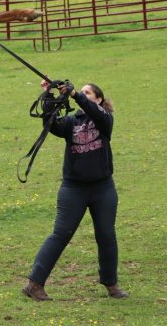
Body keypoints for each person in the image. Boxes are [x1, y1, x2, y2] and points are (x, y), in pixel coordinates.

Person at [22, 80, 128, 301]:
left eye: (88, 93)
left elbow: (94, 111)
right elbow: (52, 126)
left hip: (103, 189)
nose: (83, 94)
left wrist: (75, 94)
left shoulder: (105, 119)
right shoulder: (72, 121)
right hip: (73, 189)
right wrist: (48, 96)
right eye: (82, 91)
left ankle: (111, 284)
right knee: (61, 234)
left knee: (106, 235)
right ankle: (34, 283)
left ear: (99, 99)